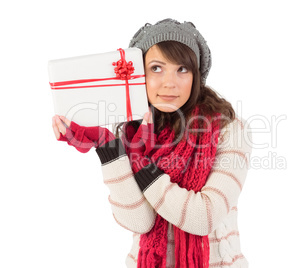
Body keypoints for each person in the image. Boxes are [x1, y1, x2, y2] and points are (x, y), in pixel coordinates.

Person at [52, 18, 252, 268]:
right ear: (139, 74)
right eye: (156, 68)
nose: (170, 82)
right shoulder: (130, 128)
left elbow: (204, 218)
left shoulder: (229, 128)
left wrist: (142, 163)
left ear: (196, 75)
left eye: (182, 69)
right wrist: (108, 147)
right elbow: (139, 222)